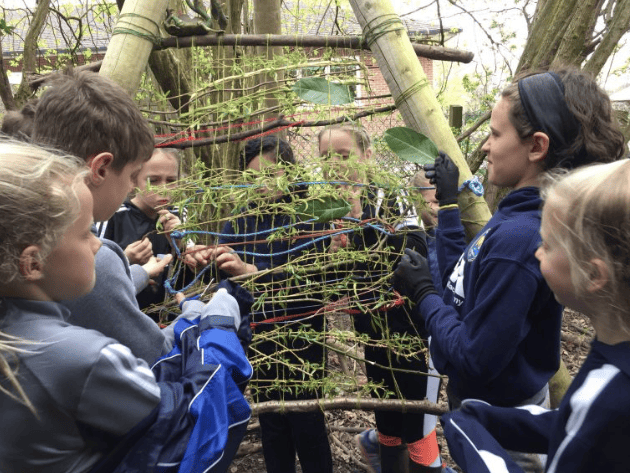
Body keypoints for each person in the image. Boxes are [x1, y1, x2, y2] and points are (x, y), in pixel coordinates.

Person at [392, 68, 625, 471]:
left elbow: (474, 356)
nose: (485, 146)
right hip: (498, 414)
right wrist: (448, 208)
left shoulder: (519, 239)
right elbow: (463, 287)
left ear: (536, 146)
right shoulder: (513, 218)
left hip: (502, 426)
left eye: (496, 134)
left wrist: (425, 296)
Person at [0, 138, 253, 473]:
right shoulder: (84, 357)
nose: (99, 246)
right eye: (85, 234)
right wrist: (217, 325)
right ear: (32, 264)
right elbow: (193, 430)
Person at [438, 158, 630, 472]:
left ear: (594, 274)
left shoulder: (611, 392)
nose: (537, 251)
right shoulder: (614, 360)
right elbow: (575, 422)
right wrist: (492, 419)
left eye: (549, 244)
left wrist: (470, 440)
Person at [188, 136, 334, 473]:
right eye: (252, 179)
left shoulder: (311, 216)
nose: (261, 187)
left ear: (289, 172)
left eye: (269, 177)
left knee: (306, 417)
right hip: (260, 335)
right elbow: (225, 272)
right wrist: (206, 261)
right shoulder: (241, 220)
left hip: (302, 334)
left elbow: (309, 282)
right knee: (272, 418)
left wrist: (252, 272)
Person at [29, 70, 186, 364]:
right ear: (100, 168)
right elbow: (155, 357)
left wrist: (141, 271)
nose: (131, 186)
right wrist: (207, 318)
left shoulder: (21, 229)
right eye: (131, 175)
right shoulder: (91, 258)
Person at [319, 124, 447, 473]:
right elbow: (330, 283)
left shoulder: (392, 198)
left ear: (368, 156)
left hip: (409, 329)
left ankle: (425, 465)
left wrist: (363, 223)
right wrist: (334, 253)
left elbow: (413, 255)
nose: (335, 166)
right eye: (326, 158)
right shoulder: (325, 209)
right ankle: (388, 462)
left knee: (418, 417)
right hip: (371, 330)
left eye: (344, 156)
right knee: (386, 413)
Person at [97, 147, 184, 312]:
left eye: (171, 181)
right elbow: (93, 272)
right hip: (122, 313)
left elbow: (189, 274)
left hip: (168, 314)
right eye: (154, 180)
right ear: (133, 182)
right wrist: (125, 259)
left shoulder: (179, 215)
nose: (164, 189)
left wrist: (179, 245)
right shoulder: (113, 216)